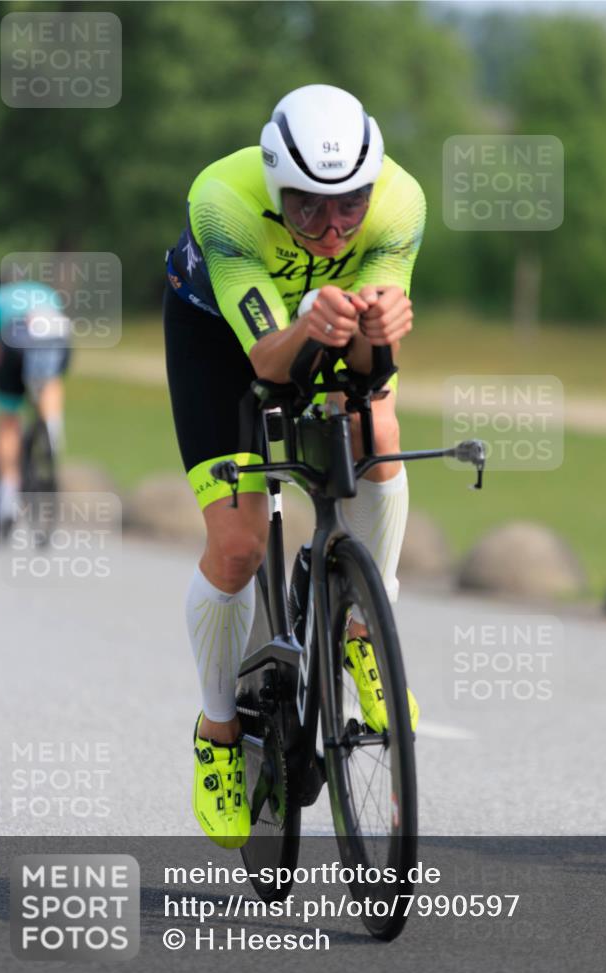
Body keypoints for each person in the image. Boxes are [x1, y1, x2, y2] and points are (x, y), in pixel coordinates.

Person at [163, 84, 426, 848]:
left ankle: (358, 625)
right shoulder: (222, 199)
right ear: (276, 184)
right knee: (241, 546)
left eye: (348, 205)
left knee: (375, 426)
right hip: (223, 339)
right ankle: (217, 730)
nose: (331, 226)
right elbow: (268, 364)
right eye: (306, 206)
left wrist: (379, 330)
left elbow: (373, 368)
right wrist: (312, 319)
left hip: (324, 323)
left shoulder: (400, 203)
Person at [0, 277, 72, 539]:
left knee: (8, 419)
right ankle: (52, 430)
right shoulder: (45, 292)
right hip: (55, 334)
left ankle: (6, 496)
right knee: (49, 382)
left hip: (13, 337)